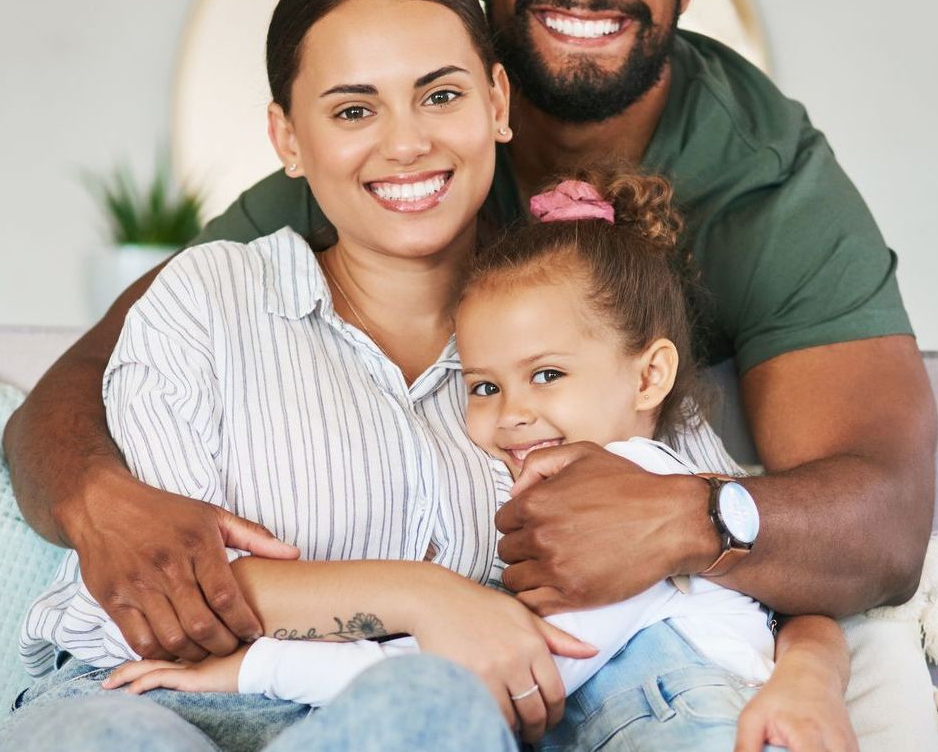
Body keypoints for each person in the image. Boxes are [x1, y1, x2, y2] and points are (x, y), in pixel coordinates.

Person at [3, 0, 935, 728]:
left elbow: (876, 523)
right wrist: (99, 500)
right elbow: (83, 381)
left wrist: (702, 537)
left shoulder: (745, 197)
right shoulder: (291, 236)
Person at [103, 168, 858, 752]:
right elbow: (789, 606)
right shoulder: (660, 485)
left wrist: (244, 671)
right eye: (484, 385)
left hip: (681, 721)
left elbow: (485, 670)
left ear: (649, 376)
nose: (512, 413)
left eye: (548, 374)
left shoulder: (628, 498)